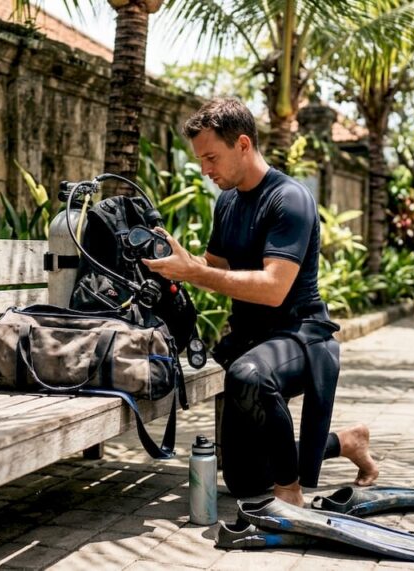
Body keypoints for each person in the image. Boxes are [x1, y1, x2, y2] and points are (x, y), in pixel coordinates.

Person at [142, 98, 379, 507]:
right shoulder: (228, 202)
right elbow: (213, 267)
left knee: (248, 375)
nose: (205, 170)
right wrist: (174, 265)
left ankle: (290, 494)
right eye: (201, 160)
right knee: (244, 480)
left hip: (301, 336)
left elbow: (274, 288)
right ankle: (346, 441)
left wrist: (199, 273)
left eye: (211, 157)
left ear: (244, 145)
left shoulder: (290, 199)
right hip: (252, 339)